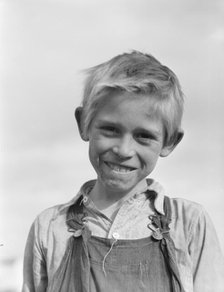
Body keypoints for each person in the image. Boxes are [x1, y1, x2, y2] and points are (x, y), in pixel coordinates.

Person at [22, 51, 224, 292]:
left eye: (144, 136)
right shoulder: (50, 228)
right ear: (84, 123)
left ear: (170, 142)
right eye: (110, 130)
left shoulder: (189, 223)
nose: (124, 150)